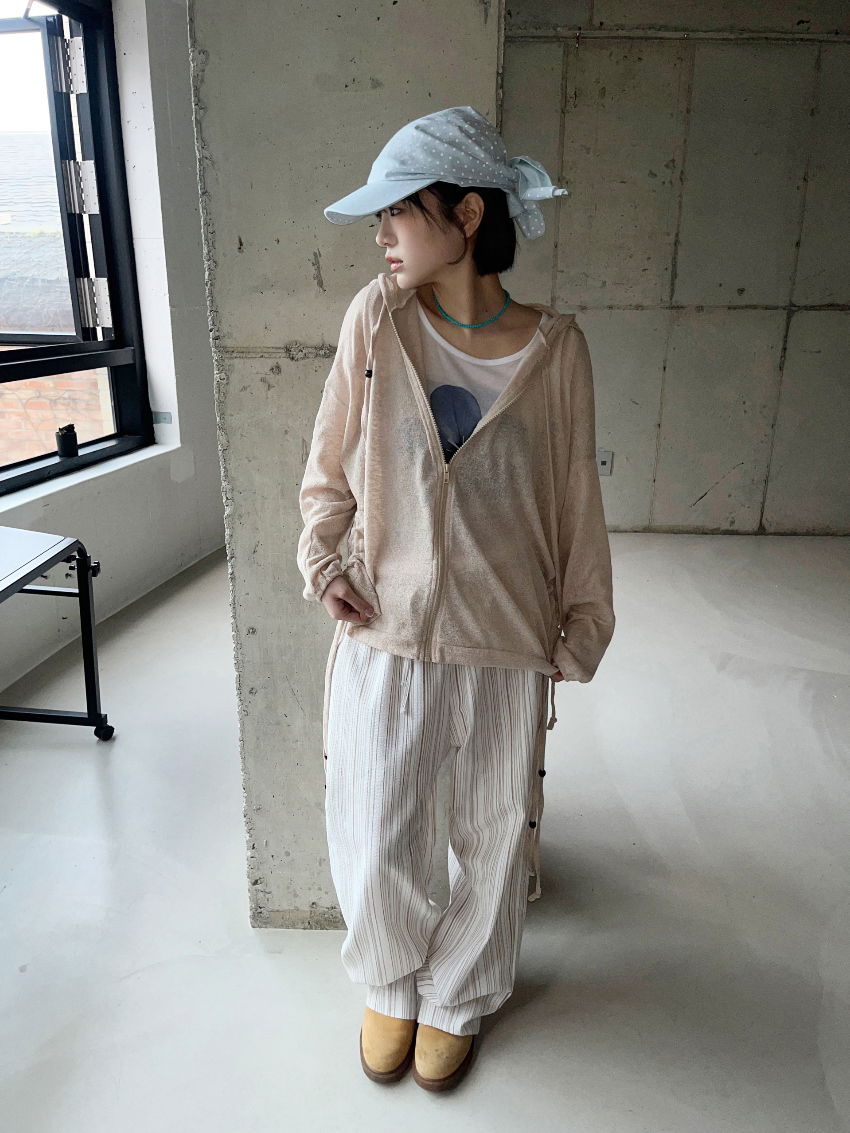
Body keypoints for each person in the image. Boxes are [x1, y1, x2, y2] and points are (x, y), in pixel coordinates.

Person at [296, 106, 615, 1092]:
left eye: (398, 211)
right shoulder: (377, 320)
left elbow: (574, 496)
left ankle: (461, 992)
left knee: (493, 827)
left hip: (504, 629)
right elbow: (329, 463)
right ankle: (391, 980)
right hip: (386, 621)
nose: (382, 236)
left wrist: (584, 617)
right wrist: (323, 559)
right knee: (375, 816)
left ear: (466, 213)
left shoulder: (556, 349)